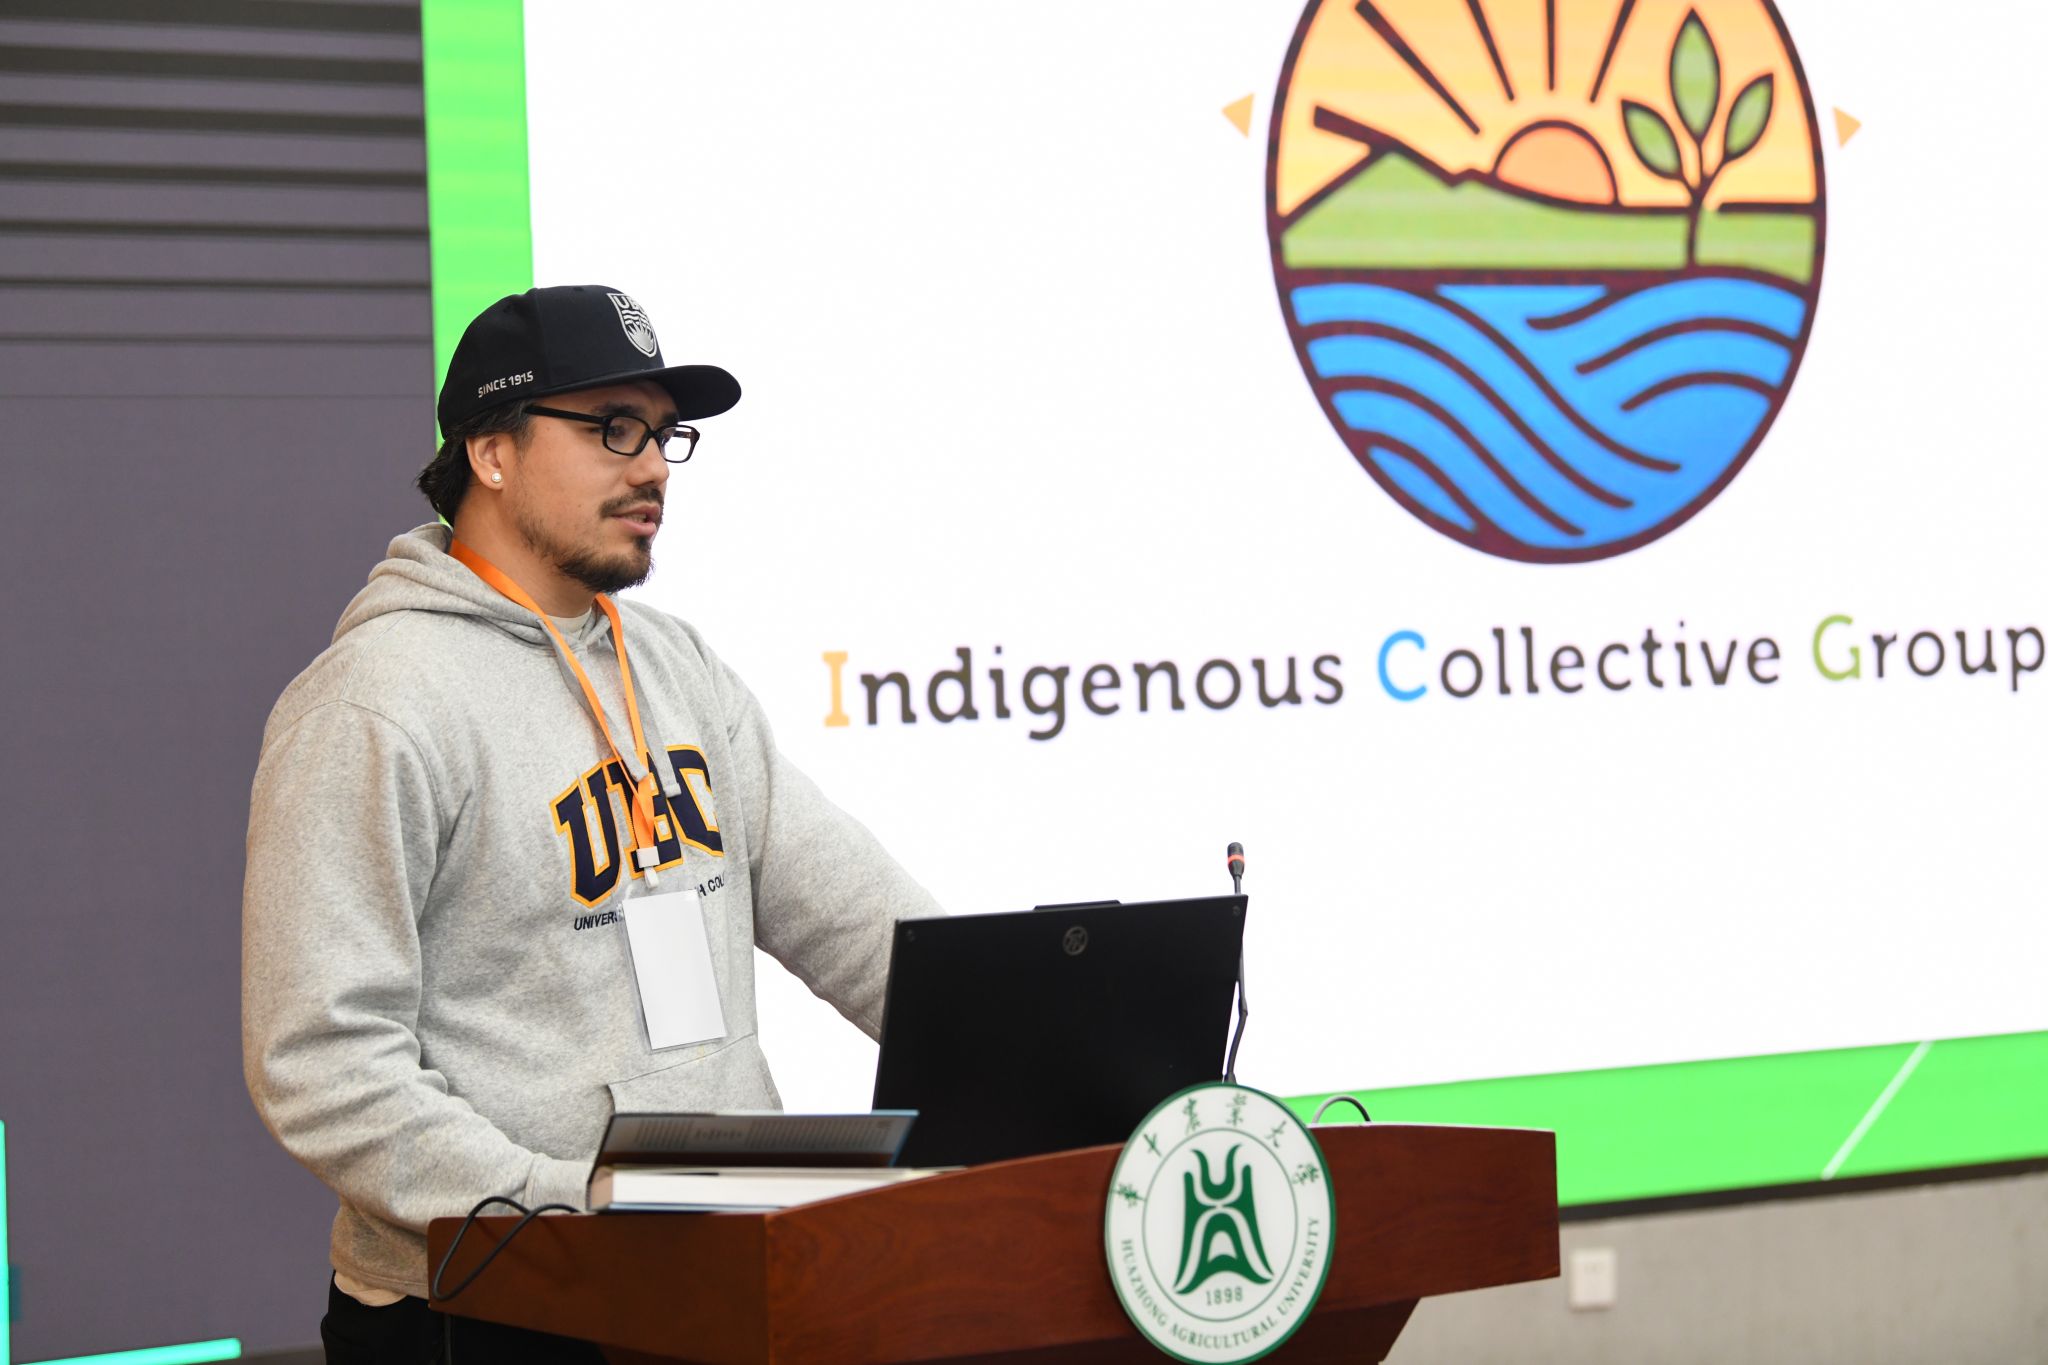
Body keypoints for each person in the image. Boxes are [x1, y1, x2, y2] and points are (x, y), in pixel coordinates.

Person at [242, 285, 942, 1363]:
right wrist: (570, 1204)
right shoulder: (373, 704)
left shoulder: (676, 664)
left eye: (663, 434)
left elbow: (848, 912)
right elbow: (324, 1063)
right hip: (492, 1305)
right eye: (614, 428)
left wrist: (1024, 1056)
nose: (653, 466)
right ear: (491, 452)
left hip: (714, 1264)